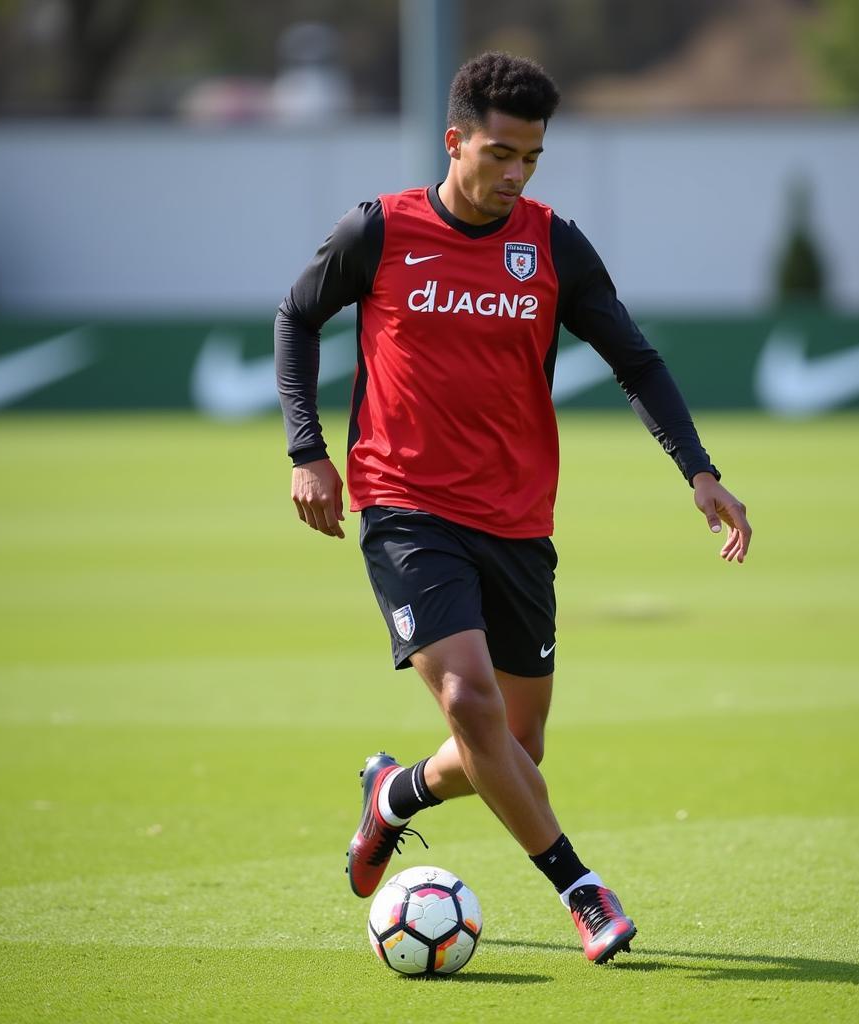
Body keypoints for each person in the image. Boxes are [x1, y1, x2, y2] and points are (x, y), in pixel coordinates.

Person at [274, 51, 751, 965]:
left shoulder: (553, 245)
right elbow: (297, 316)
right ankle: (582, 888)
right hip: (406, 506)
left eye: (531, 157)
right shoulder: (380, 231)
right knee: (467, 696)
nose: (516, 174)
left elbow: (636, 360)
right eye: (499, 153)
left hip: (519, 520)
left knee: (512, 744)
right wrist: (309, 452)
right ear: (454, 141)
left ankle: (395, 795)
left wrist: (698, 469)